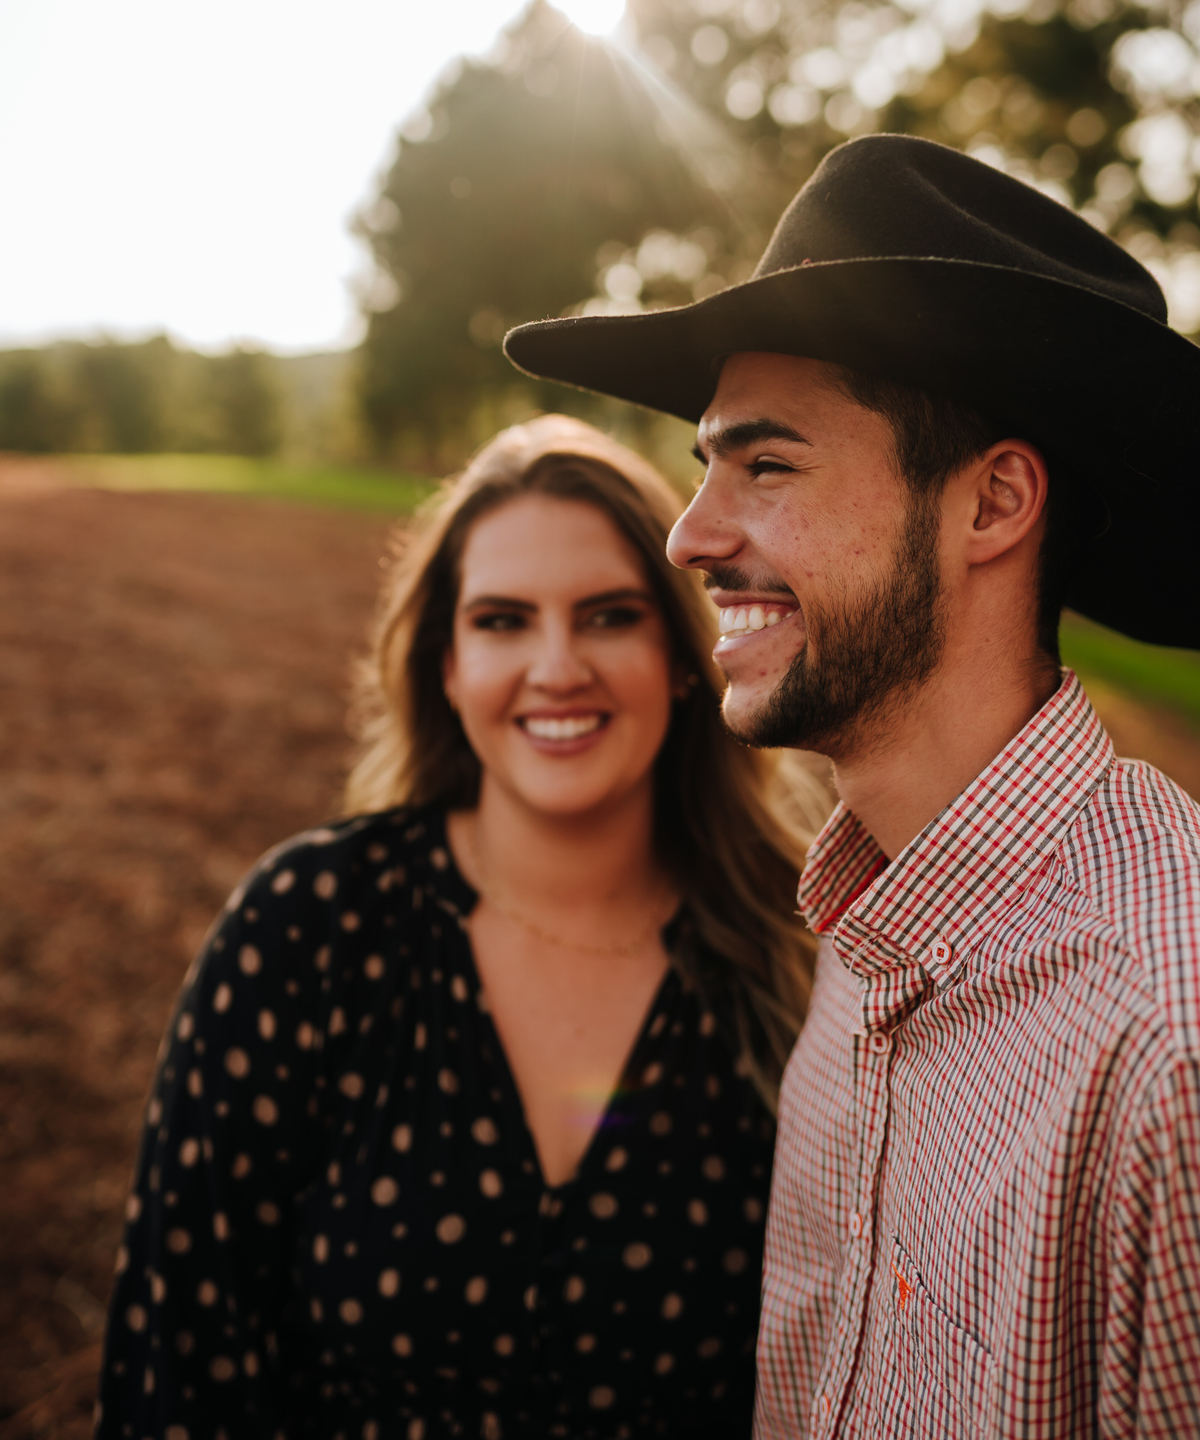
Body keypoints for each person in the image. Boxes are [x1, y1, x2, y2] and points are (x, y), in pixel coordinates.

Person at [504, 136, 1200, 1438]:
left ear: (993, 503)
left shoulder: (1167, 1054)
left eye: (767, 466)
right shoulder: (856, 932)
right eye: (706, 464)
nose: (691, 534)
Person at [98, 415, 826, 1439]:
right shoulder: (307, 930)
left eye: (609, 616)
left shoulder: (801, 956)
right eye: (502, 621)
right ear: (447, 664)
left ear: (678, 652)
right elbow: (178, 1366)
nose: (557, 666)